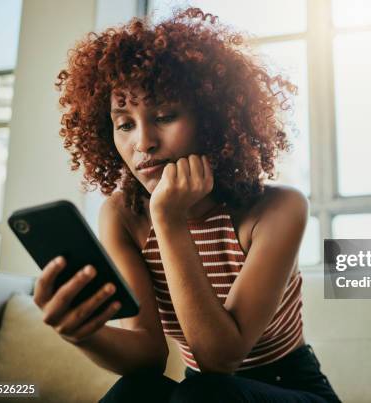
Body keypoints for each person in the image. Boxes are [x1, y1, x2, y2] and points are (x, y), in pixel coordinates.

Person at [32, 7, 341, 403]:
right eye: (124, 123)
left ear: (213, 121)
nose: (143, 142)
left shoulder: (278, 209)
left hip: (291, 388)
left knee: (205, 393)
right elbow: (147, 357)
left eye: (164, 115)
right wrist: (82, 332)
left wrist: (169, 219)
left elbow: (219, 359)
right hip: (203, 390)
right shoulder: (122, 216)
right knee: (135, 392)